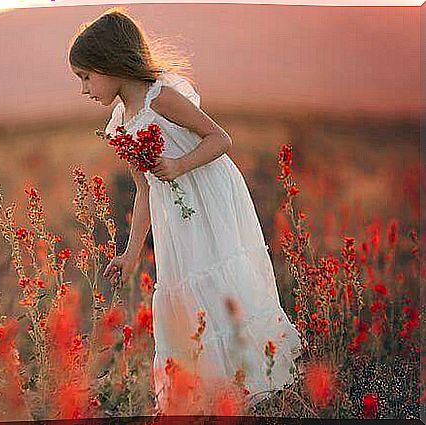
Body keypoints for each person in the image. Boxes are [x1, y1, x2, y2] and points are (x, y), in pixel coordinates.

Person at [68, 8, 303, 415]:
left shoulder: (161, 97)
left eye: (86, 77)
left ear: (110, 64)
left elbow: (220, 139)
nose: (84, 89)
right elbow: (143, 189)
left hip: (208, 198)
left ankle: (255, 388)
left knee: (219, 283)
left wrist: (177, 166)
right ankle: (209, 396)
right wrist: (130, 251)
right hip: (173, 216)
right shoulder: (121, 122)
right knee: (186, 292)